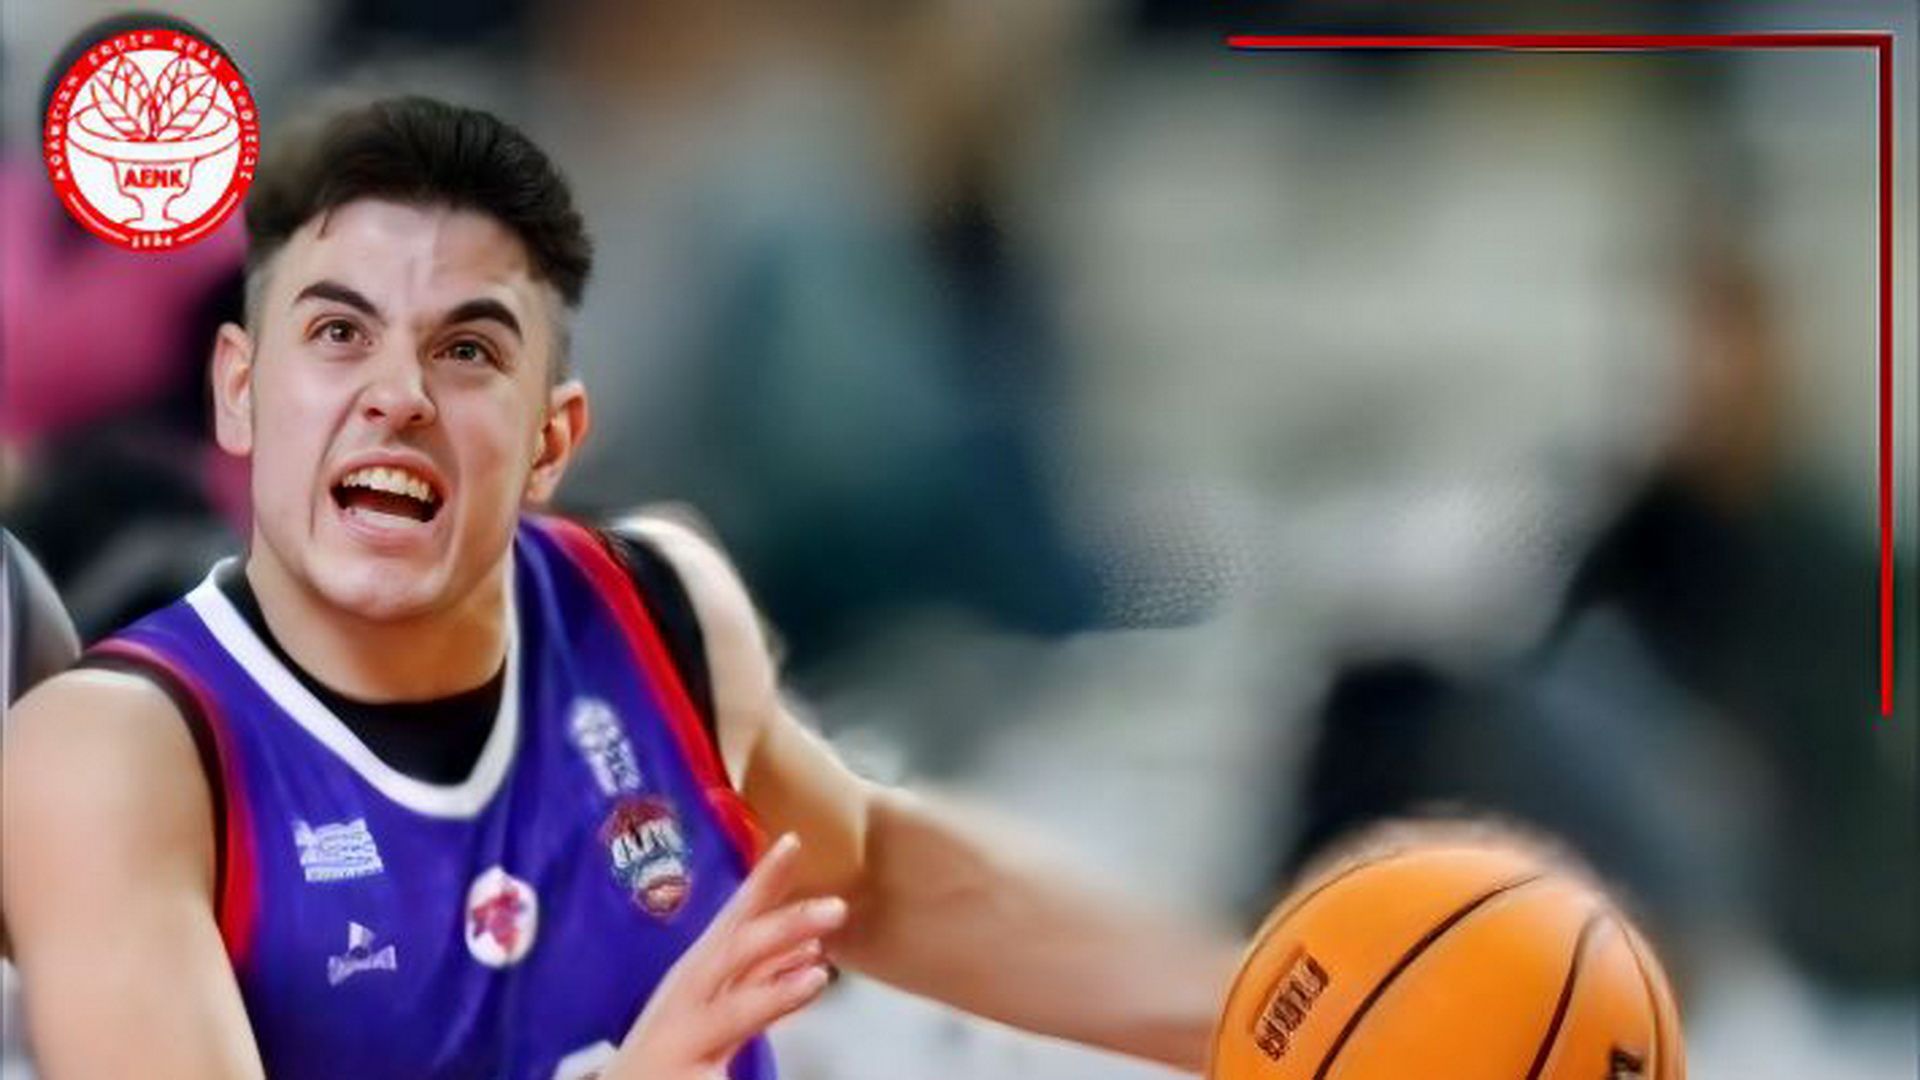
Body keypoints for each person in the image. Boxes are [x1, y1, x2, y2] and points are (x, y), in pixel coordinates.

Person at [1, 96, 1238, 1079]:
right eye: (338, 336)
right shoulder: (115, 754)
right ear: (237, 392)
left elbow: (874, 881)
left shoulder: (653, 609)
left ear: (552, 439)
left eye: (466, 350)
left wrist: (1261, 1012)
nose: (397, 396)